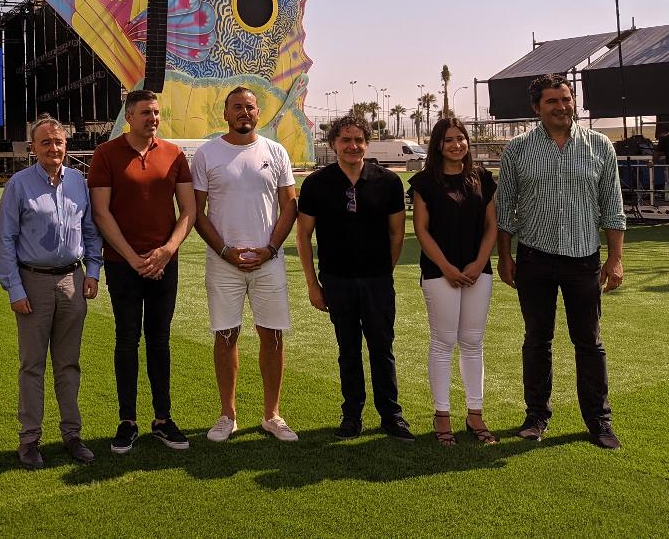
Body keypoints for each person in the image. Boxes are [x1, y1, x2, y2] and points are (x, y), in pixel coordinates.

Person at [496, 74, 626, 450]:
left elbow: (612, 210)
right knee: (537, 340)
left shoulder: (599, 146)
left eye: (566, 99)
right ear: (537, 108)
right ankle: (536, 417)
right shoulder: (518, 150)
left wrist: (615, 259)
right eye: (552, 101)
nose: (561, 106)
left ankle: (599, 422)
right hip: (534, 259)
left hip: (583, 260)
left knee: (589, 344)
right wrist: (504, 256)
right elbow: (505, 209)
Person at [89, 89, 196, 454]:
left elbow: (189, 210)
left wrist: (167, 250)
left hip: (164, 263)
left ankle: (163, 419)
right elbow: (101, 213)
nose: (153, 119)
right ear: (129, 116)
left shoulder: (174, 154)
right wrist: (133, 258)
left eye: (156, 113)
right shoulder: (106, 154)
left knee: (160, 340)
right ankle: (127, 420)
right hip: (123, 265)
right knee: (127, 339)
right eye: (146, 113)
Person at [192, 87, 300, 443]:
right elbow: (197, 212)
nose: (244, 112)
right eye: (236, 107)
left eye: (249, 107)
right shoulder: (207, 154)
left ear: (259, 113)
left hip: (268, 261)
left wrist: (270, 248)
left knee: (272, 336)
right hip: (224, 263)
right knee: (225, 336)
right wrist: (225, 251)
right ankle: (228, 414)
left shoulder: (276, 151)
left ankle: (272, 414)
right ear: (225, 113)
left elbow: (290, 206)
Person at [295, 115, 413, 442]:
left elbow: (396, 235)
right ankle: (352, 416)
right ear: (333, 144)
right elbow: (303, 235)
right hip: (336, 281)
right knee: (348, 350)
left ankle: (391, 415)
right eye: (345, 140)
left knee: (382, 349)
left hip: (377, 282)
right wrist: (312, 284)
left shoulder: (388, 182)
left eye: (359, 139)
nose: (352, 146)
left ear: (367, 143)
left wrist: (381, 271)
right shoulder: (317, 184)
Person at [0, 116, 103, 468]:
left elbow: (89, 230)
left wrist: (94, 271)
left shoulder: (78, 182)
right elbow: (6, 240)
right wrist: (13, 288)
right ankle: (29, 441)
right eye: (45, 142)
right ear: (33, 148)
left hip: (73, 281)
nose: (53, 148)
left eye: (58, 142)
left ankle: (72, 435)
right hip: (33, 283)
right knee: (32, 366)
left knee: (69, 365)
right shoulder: (19, 185)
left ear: (65, 145)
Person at [410, 118, 498, 446]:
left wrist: (478, 263)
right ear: (437, 145)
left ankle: (475, 413)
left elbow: (492, 226)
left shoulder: (483, 179)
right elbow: (422, 229)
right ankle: (441, 415)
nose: (456, 144)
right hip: (439, 273)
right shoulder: (424, 182)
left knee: (473, 342)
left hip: (478, 272)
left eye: (461, 139)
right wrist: (446, 267)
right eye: (448, 140)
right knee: (443, 342)